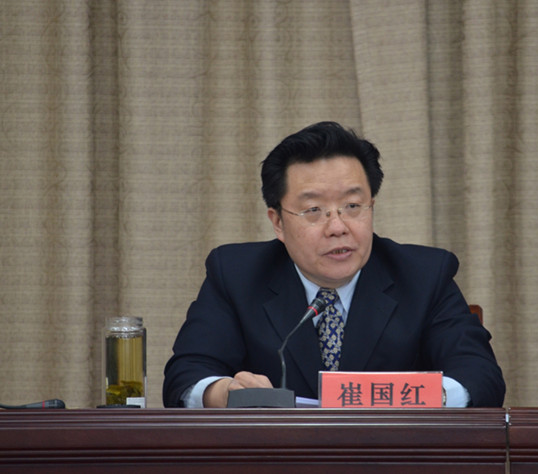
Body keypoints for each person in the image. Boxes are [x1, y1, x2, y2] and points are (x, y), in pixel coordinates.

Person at [163, 121, 505, 408]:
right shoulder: (237, 274)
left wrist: (421, 397)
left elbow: (480, 376)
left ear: (371, 206)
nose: (338, 227)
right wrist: (224, 393)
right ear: (278, 222)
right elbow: (186, 376)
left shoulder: (424, 275)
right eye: (314, 210)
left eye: (353, 206)